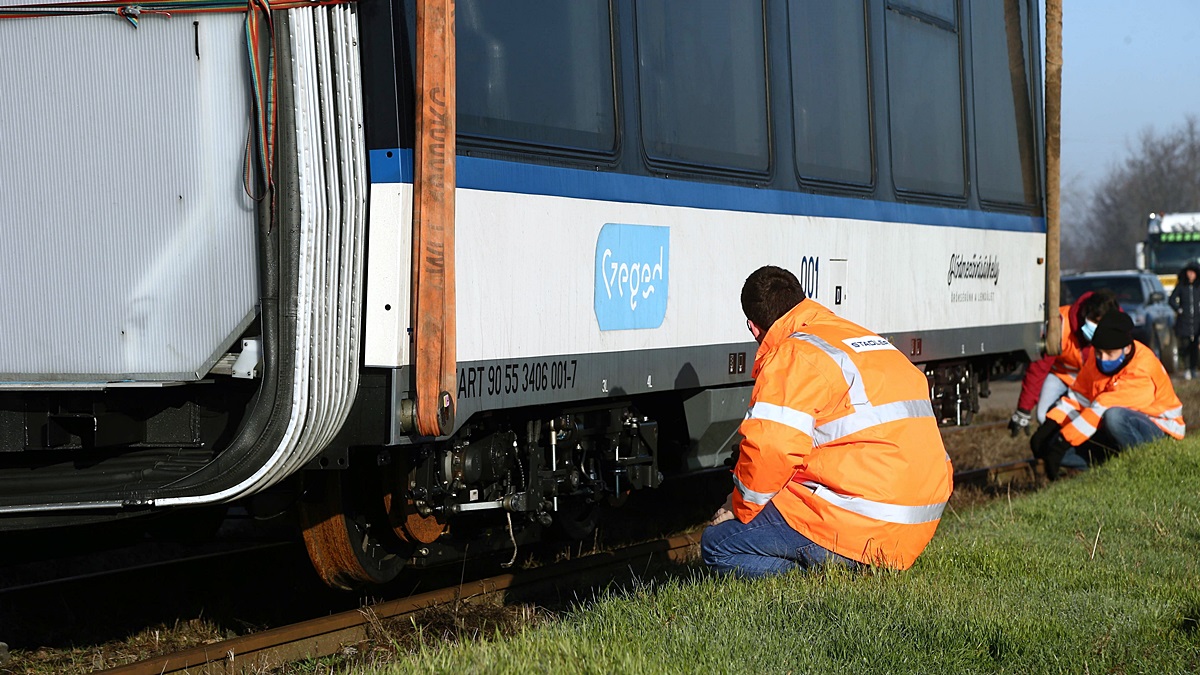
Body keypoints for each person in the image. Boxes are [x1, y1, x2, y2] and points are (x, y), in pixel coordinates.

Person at [701, 265, 953, 577]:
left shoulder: (794, 353)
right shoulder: (860, 338)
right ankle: (839, 566)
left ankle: (819, 573)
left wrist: (738, 505)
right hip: (914, 527)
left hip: (861, 524)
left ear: (754, 328)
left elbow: (773, 449)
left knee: (719, 545)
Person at [1031, 310, 1185, 480]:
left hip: (1158, 426)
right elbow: (1079, 397)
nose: (1102, 359)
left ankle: (1144, 465)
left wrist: (1062, 442)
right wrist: (1049, 427)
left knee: (1114, 417)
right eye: (1098, 352)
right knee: (1052, 447)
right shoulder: (1096, 358)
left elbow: (1102, 405)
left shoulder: (1142, 366)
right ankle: (1111, 465)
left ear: (1126, 349)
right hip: (1110, 424)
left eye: (1109, 354)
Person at [1008, 289, 1119, 436]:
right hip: (1061, 375)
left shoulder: (1118, 327)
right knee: (1044, 415)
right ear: (1085, 314)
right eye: (1094, 320)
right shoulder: (1059, 324)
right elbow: (1038, 368)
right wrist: (1024, 409)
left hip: (1095, 379)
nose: (1096, 327)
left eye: (1101, 323)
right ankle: (1059, 446)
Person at [1169, 261, 1200, 380]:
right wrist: (1179, 310)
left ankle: (1193, 368)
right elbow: (1171, 300)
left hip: (1197, 321)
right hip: (1184, 321)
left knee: (1194, 346)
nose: (1190, 275)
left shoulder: (1198, 287)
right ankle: (1187, 368)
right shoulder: (1181, 286)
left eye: (1193, 273)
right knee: (1185, 345)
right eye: (1189, 272)